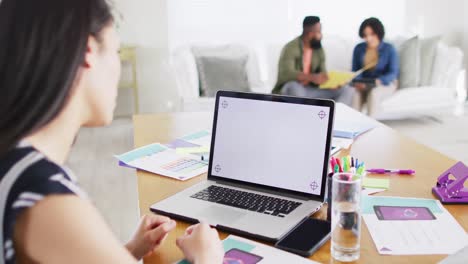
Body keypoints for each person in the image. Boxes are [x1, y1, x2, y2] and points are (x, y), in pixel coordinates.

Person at [0, 0, 223, 263]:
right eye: (115, 52)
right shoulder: (46, 199)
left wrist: (127, 251)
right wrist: (207, 258)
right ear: (88, 51)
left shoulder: (15, 158)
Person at [272, 16, 354, 106]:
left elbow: (323, 72)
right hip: (294, 89)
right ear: (310, 33)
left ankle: (336, 116)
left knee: (347, 89)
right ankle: (303, 116)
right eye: (319, 32)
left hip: (312, 91)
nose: (321, 35)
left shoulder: (318, 49)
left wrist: (332, 83)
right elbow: (286, 74)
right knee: (294, 87)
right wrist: (312, 77)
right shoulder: (290, 48)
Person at [351, 17, 399, 117]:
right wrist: (358, 82)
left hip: (385, 83)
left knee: (374, 93)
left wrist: (379, 81)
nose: (368, 38)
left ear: (379, 33)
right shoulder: (358, 49)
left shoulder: (389, 49)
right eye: (365, 35)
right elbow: (355, 71)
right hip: (365, 83)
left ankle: (371, 126)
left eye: (372, 34)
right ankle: (353, 126)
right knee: (355, 94)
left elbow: (393, 73)